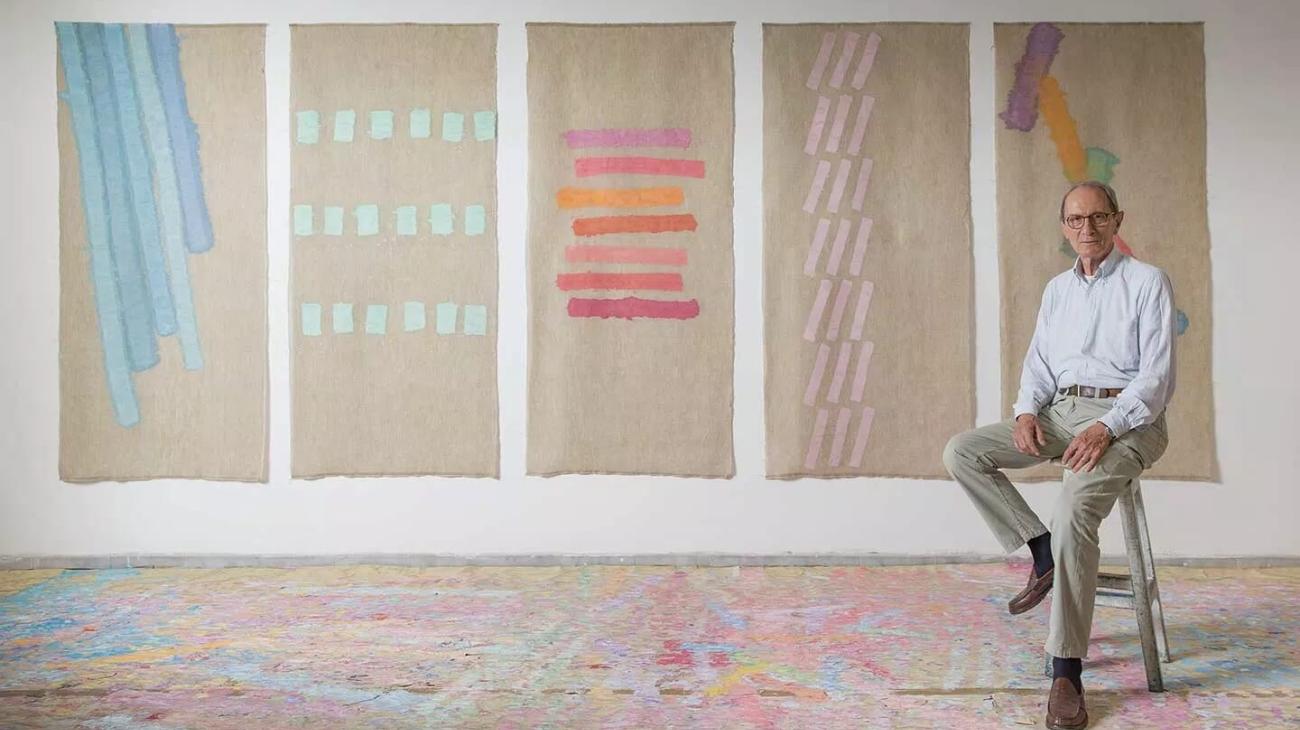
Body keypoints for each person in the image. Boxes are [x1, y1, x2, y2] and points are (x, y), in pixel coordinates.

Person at [943, 180, 1176, 729]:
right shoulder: (1057, 290)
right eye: (1075, 220)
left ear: (1118, 221)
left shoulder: (1148, 283)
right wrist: (1026, 411)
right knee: (963, 452)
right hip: (1061, 412)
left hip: (1130, 419)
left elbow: (1157, 379)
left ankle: (1066, 671)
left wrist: (1106, 425)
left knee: (1074, 507)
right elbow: (1040, 364)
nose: (1087, 229)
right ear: (1064, 226)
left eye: (1098, 218)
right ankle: (1042, 550)